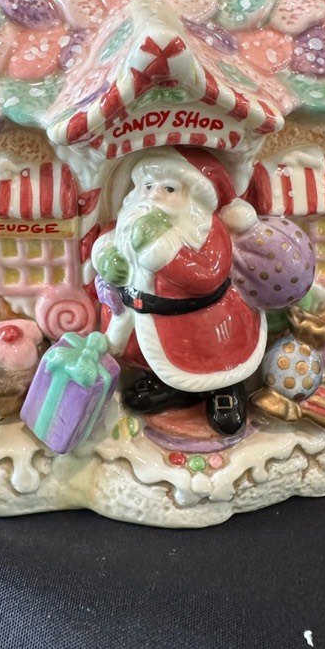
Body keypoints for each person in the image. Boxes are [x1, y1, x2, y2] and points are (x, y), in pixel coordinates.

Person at [92, 147, 266, 435]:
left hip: (202, 323)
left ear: (195, 198)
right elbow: (109, 237)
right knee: (153, 357)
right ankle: (169, 388)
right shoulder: (128, 222)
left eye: (169, 189)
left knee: (212, 363)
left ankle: (224, 390)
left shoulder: (206, 230)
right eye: (148, 186)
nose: (154, 196)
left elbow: (207, 276)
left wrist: (163, 250)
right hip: (142, 317)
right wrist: (107, 256)